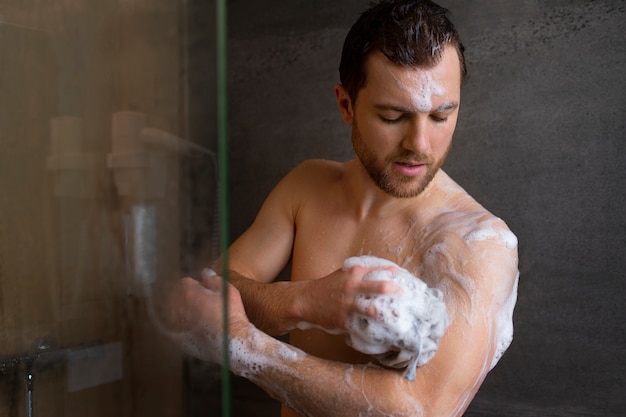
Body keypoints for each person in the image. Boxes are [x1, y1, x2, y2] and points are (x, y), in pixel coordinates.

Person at [164, 1, 519, 416]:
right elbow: (212, 290)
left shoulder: (478, 243)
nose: (420, 144)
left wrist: (245, 346)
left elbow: (422, 409)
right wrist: (307, 301)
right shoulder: (307, 186)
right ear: (346, 105)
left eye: (441, 115)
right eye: (393, 116)